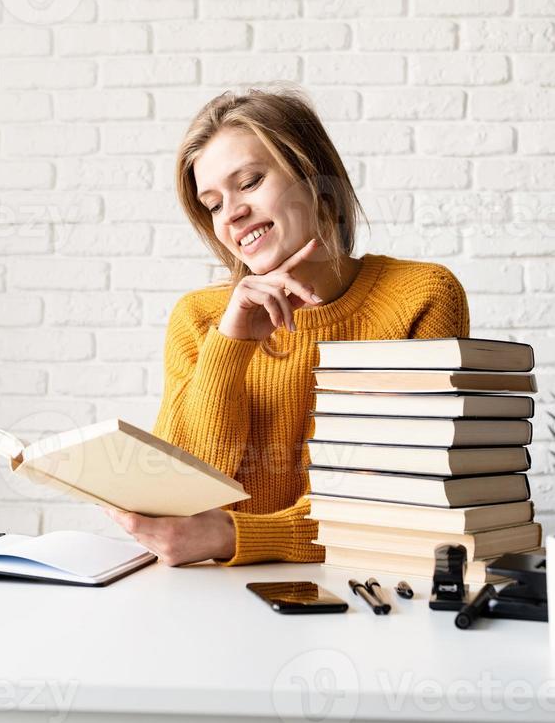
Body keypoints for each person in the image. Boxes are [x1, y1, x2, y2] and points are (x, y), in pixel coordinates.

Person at [105, 86, 470, 566]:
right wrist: (231, 343)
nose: (231, 213)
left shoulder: (421, 296)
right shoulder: (200, 319)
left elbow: (398, 498)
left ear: (313, 176)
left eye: (250, 181)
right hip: (207, 599)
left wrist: (239, 538)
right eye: (212, 204)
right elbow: (177, 503)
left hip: (365, 593)